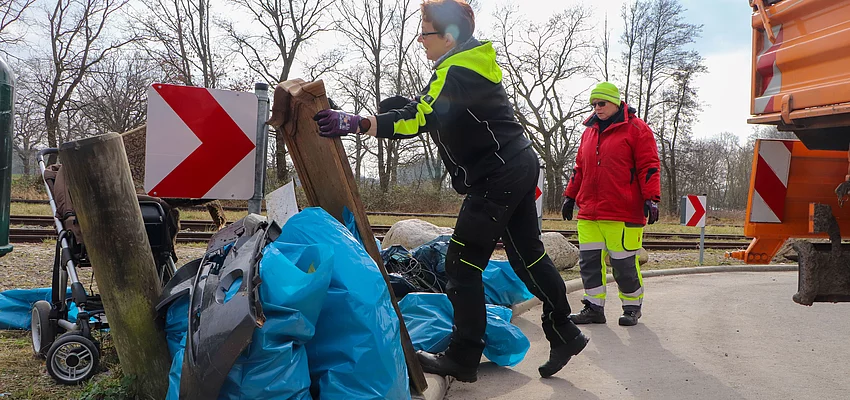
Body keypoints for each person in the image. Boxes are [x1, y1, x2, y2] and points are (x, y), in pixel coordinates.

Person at [312, 0, 588, 383]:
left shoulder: (456, 70)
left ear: (448, 36)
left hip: (497, 176)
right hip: (517, 165)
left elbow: (422, 116)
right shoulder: (468, 63)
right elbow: (434, 107)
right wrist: (391, 111)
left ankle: (462, 357)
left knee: (461, 266)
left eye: (425, 34)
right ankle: (565, 331)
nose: (421, 42)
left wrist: (360, 122)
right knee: (528, 257)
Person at [561, 81, 661, 327]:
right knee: (589, 263)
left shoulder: (637, 129)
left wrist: (651, 197)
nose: (597, 108)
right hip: (590, 213)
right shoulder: (589, 132)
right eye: (594, 104)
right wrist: (570, 196)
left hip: (623, 212)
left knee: (623, 264)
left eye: (601, 103)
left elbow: (649, 166)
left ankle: (632, 307)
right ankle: (594, 308)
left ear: (615, 103)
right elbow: (579, 169)